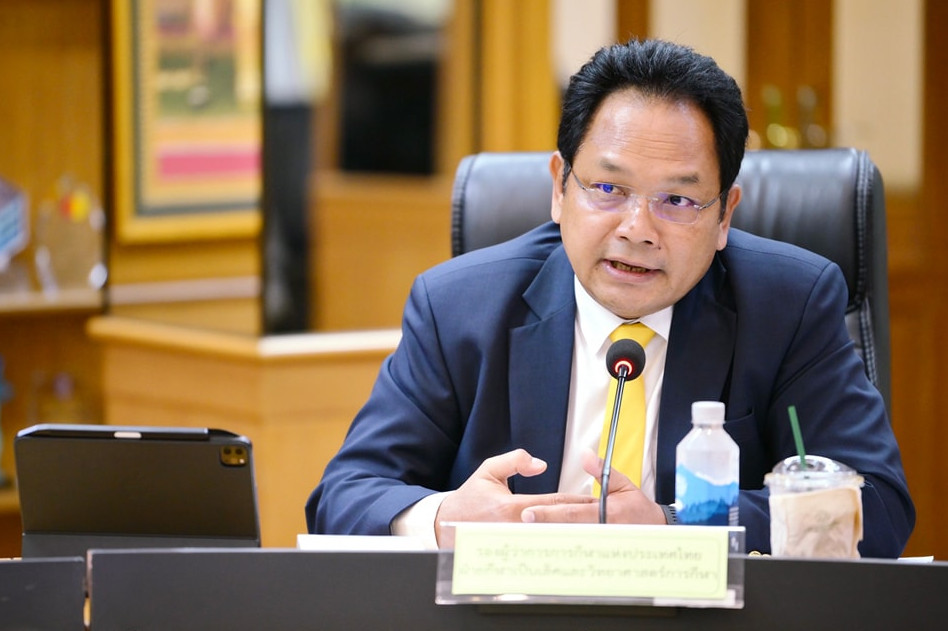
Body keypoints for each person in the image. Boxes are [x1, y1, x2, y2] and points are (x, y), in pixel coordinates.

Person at [306, 39, 915, 557]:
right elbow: (345, 496)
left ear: (725, 215)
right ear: (559, 188)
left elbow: (879, 507)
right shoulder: (458, 306)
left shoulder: (789, 306)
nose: (637, 229)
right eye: (608, 188)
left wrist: (674, 530)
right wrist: (446, 519)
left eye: (678, 200)